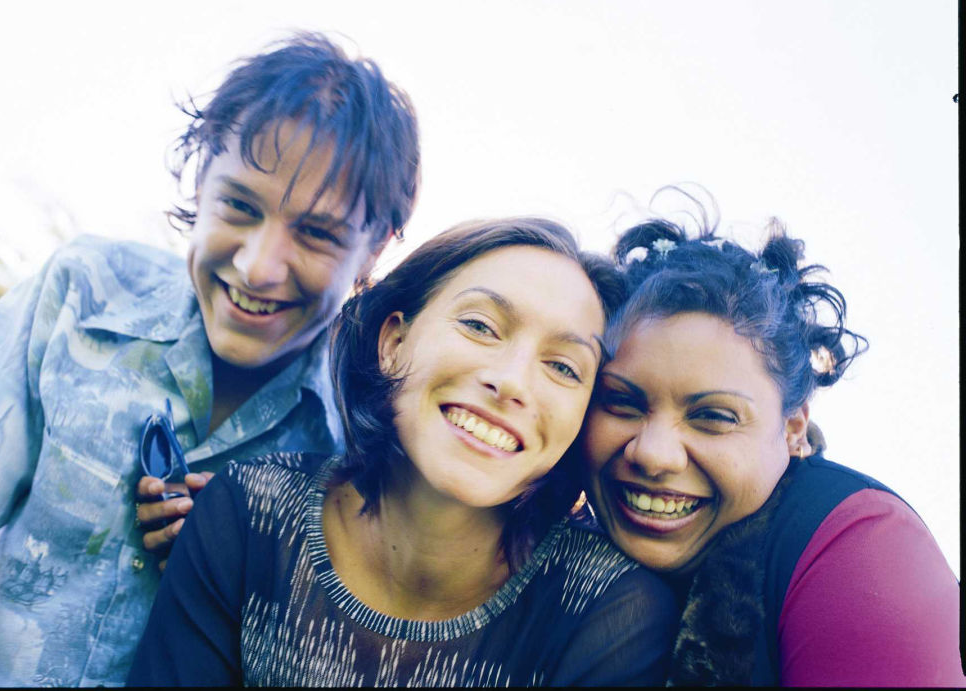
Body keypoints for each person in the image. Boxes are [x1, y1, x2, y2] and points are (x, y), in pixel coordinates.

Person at [0, 31, 421, 686]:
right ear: (201, 185)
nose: (258, 266)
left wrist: (228, 578)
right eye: (238, 205)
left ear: (374, 252)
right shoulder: (82, 293)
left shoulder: (357, 446)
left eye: (316, 233)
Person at [127, 217, 679, 687]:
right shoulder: (250, 516)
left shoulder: (608, 612)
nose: (512, 383)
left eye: (563, 367)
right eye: (481, 326)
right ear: (393, 343)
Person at [581, 198, 965, 686]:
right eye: (622, 403)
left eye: (713, 417)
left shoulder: (863, 549)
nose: (653, 454)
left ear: (793, 430)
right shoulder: (551, 541)